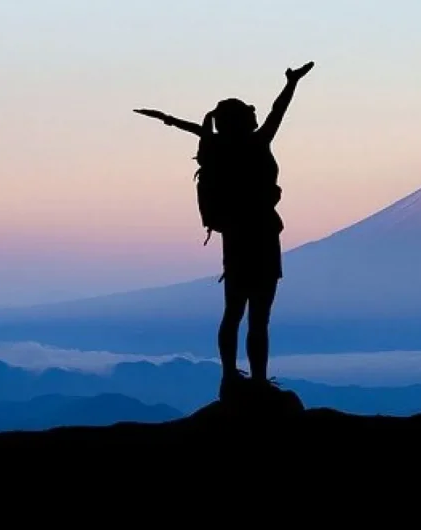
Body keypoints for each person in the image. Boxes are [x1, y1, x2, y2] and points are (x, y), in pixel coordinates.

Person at [134, 61, 314, 403]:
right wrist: (291, 83)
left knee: (234, 310)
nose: (255, 117)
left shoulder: (218, 149)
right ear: (243, 121)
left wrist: (168, 119)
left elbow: (199, 132)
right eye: (249, 115)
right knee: (259, 316)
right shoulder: (257, 143)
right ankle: (258, 380)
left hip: (235, 238)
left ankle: (230, 375)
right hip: (262, 235)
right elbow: (279, 112)